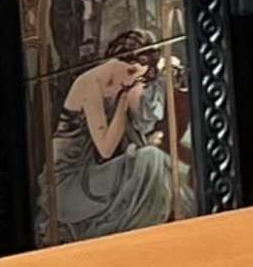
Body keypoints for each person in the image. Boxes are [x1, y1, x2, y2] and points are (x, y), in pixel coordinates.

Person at [48, 23, 181, 240]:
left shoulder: (117, 86)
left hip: (92, 175)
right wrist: (123, 102)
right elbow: (106, 149)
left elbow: (133, 133)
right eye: (131, 73)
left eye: (136, 78)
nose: (130, 82)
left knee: (160, 162)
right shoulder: (89, 83)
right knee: (151, 159)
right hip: (68, 187)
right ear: (121, 60)